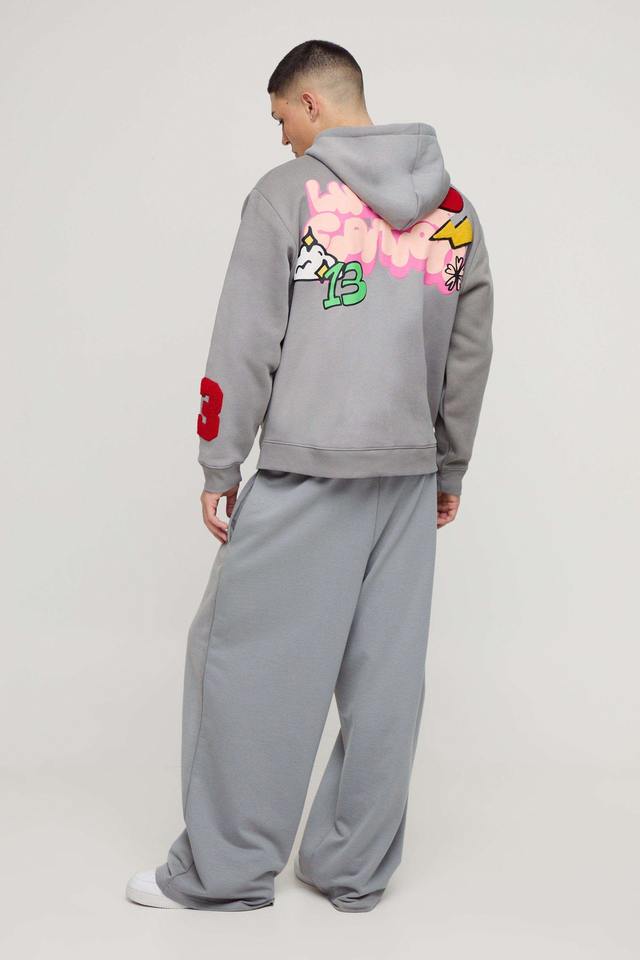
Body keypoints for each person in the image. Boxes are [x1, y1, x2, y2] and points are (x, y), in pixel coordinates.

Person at [126, 38, 493, 913]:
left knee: (244, 665)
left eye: (282, 116)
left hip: (307, 475)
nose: (284, 136)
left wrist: (220, 462)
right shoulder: (456, 213)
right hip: (407, 480)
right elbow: (468, 356)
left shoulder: (288, 194)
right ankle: (351, 870)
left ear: (312, 101)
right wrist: (448, 464)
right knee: (385, 684)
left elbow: (245, 339)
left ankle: (223, 873)